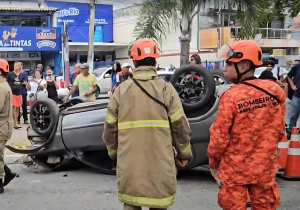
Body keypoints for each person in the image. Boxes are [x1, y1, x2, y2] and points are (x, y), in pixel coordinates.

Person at [102, 38, 193, 210]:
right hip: (161, 163)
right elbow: (180, 126)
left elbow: (109, 129)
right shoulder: (167, 90)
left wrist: (114, 153)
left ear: (134, 61)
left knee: (131, 203)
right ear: (156, 61)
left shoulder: (121, 91)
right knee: (158, 204)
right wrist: (184, 154)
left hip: (129, 164)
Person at [207, 40, 285, 210]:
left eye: (228, 63)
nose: (224, 68)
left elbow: (219, 138)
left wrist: (213, 164)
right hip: (265, 169)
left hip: (234, 171)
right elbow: (280, 130)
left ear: (243, 66)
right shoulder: (275, 91)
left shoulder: (231, 96)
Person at [0, 59, 18, 194]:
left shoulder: (1, 87)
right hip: (5, 125)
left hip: (2, 126)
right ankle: (8, 173)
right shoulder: (4, 84)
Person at [6, 62, 24, 129]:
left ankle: (17, 121)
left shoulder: (21, 75)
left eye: (16, 66)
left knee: (18, 108)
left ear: (19, 67)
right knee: (14, 108)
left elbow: (22, 82)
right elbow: (7, 81)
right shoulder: (10, 74)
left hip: (19, 93)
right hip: (12, 92)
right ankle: (15, 123)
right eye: (14, 65)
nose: (15, 67)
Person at [286, 60, 300, 139]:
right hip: (297, 95)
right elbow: (289, 76)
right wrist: (292, 86)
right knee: (293, 116)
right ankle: (290, 133)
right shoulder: (297, 67)